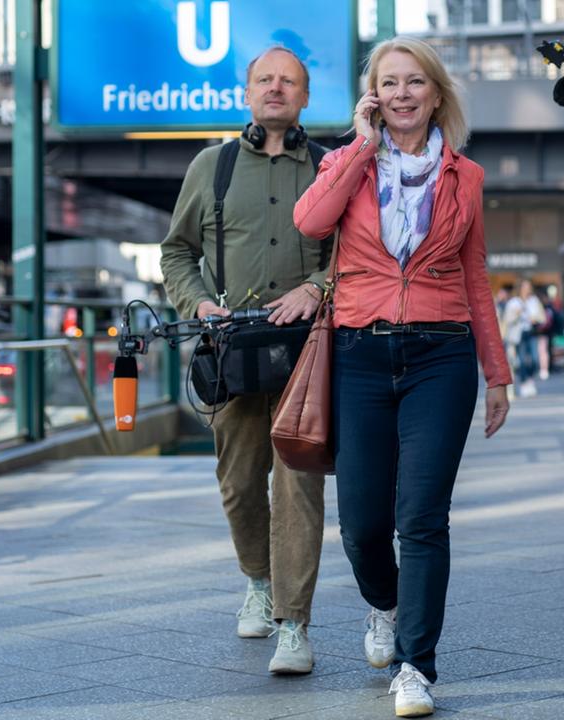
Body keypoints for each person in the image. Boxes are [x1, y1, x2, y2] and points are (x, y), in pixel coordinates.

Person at [294, 36, 511, 717]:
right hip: (360, 354)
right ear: (373, 96)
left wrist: (496, 372)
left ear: (436, 93)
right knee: (361, 523)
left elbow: (475, 277)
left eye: (415, 82)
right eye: (389, 83)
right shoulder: (346, 163)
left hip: (441, 356)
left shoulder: (465, 176)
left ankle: (417, 666)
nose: (402, 94)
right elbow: (309, 220)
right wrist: (359, 148)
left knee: (422, 518)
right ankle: (384, 605)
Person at [158, 45, 331, 675]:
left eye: (289, 81)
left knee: (298, 485)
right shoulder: (213, 166)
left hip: (306, 349)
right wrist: (198, 303)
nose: (276, 88)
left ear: (306, 96)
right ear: (247, 92)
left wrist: (318, 285)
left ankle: (293, 622)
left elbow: (352, 250)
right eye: (265, 79)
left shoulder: (329, 166)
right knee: (238, 484)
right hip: (228, 347)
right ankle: (257, 581)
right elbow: (175, 252)